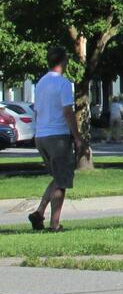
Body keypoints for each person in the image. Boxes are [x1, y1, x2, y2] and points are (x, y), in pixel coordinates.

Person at [28, 47, 83, 233]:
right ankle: (55, 224)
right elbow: (68, 112)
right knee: (62, 180)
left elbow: (37, 110)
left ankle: (39, 213)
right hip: (57, 136)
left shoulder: (41, 83)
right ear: (64, 61)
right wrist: (78, 138)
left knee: (58, 178)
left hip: (41, 136)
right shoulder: (63, 83)